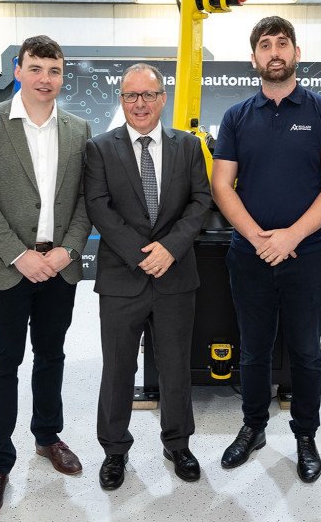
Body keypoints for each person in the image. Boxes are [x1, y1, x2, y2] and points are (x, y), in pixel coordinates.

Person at [212, 16, 321, 483]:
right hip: (249, 254)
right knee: (252, 350)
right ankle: (253, 428)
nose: (275, 51)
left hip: (307, 254)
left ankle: (305, 435)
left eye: (283, 43)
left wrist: (291, 236)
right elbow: (222, 185)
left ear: (296, 53)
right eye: (265, 45)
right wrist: (258, 238)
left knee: (306, 351)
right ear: (254, 58)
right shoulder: (236, 117)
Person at [0, 35, 92, 519]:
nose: (45, 79)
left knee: (51, 356)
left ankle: (47, 436)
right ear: (17, 70)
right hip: (4, 269)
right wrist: (20, 255)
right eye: (36, 68)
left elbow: (84, 200)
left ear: (63, 75)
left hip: (58, 269)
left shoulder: (78, 129)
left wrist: (67, 252)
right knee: (2, 364)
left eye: (54, 70)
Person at [83, 63, 211, 490]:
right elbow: (99, 206)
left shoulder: (188, 147)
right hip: (123, 276)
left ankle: (178, 444)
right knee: (118, 367)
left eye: (148, 95)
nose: (139, 104)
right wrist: (142, 255)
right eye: (130, 96)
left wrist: (170, 248)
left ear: (162, 99)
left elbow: (200, 201)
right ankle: (114, 450)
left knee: (175, 367)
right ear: (121, 100)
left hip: (176, 277)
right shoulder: (100, 148)